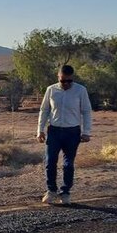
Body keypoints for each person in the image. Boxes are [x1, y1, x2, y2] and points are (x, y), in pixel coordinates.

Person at [37, 65, 92, 205]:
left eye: (69, 81)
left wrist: (86, 132)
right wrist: (40, 130)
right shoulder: (51, 90)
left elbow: (86, 111)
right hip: (54, 131)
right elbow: (44, 110)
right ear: (58, 77)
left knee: (68, 164)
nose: (66, 84)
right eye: (63, 81)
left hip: (72, 132)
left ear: (72, 78)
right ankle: (51, 190)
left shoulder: (80, 90)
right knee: (50, 162)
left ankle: (66, 192)